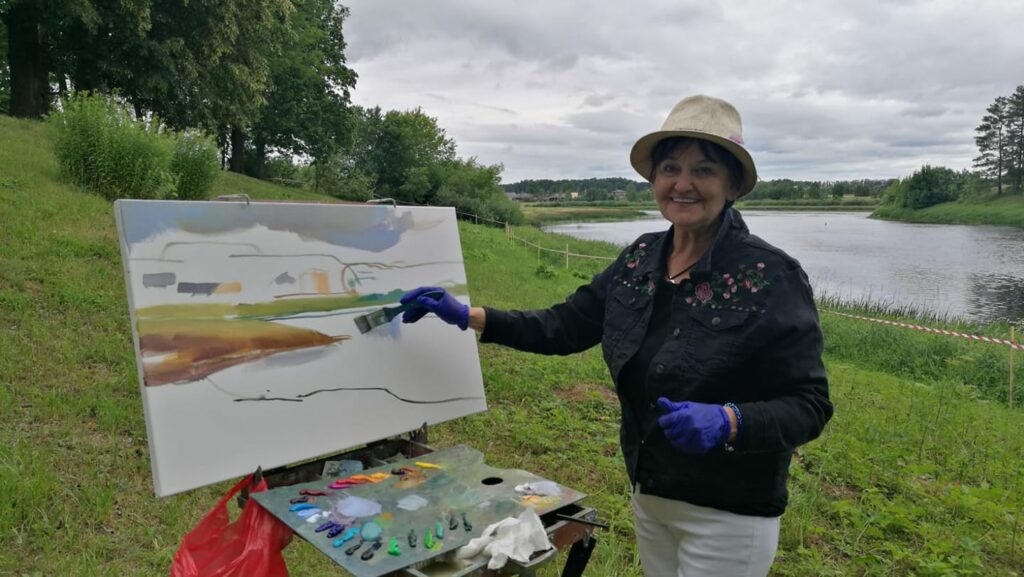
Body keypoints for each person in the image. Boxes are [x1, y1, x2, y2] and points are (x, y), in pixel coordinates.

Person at [400, 95, 833, 577]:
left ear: (732, 185)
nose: (683, 184)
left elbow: (810, 403)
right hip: (649, 491)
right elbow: (564, 326)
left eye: (704, 170)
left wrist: (729, 421)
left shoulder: (769, 276)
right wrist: (468, 315)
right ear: (654, 180)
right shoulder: (640, 259)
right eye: (670, 168)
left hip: (728, 512)